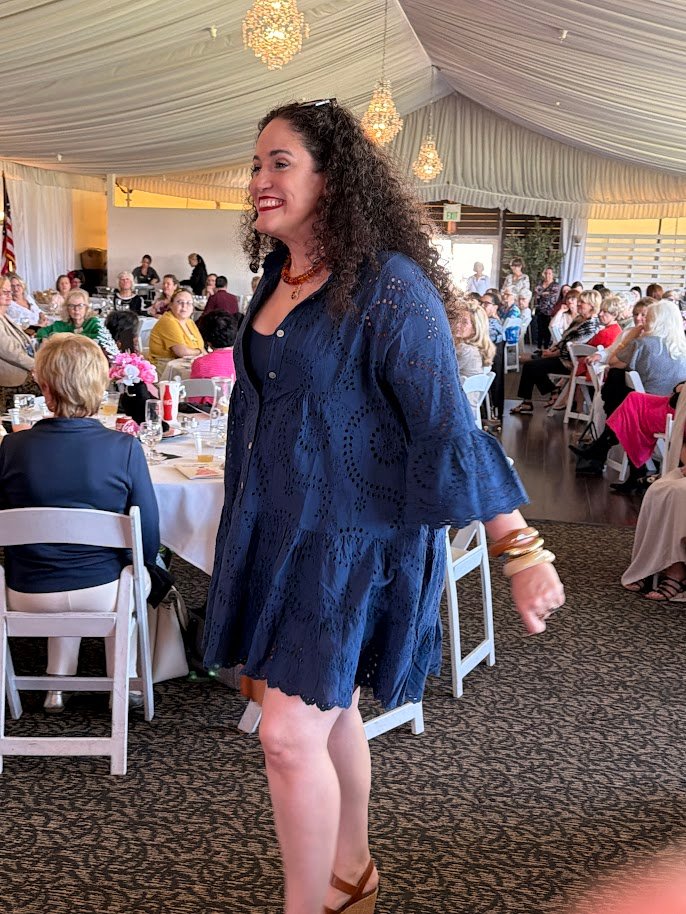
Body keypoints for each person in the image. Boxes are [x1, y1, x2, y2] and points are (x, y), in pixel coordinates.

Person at [202, 99, 564, 914]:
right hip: (278, 533)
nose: (259, 180)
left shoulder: (390, 287)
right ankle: (353, 875)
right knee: (329, 718)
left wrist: (519, 547)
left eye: (280, 162)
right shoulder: (274, 281)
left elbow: (445, 425)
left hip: (352, 546)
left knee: (286, 737)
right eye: (255, 165)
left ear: (333, 178)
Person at [0, 333, 160, 712]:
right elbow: (148, 539)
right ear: (99, 385)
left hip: (26, 590)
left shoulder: (12, 448)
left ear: (45, 387)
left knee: (62, 558)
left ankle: (57, 683)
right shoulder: (124, 448)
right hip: (103, 591)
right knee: (135, 571)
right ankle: (124, 682)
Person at [510, 289, 601, 414]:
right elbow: (565, 339)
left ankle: (540, 397)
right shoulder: (580, 319)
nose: (578, 304)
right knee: (531, 365)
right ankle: (549, 392)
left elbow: (573, 347)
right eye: (579, 301)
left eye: (582, 302)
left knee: (531, 366)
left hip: (571, 362)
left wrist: (552, 353)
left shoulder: (591, 325)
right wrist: (553, 349)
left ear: (592, 305)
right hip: (563, 356)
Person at [36, 289, 119, 363]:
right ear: (67, 308)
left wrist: (73, 337)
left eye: (80, 305)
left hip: (90, 361)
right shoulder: (61, 324)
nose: (76, 309)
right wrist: (44, 339)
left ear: (86, 308)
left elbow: (103, 337)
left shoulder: (94, 322)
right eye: (71, 306)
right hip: (65, 362)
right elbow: (42, 331)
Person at [0, 276, 38, 412]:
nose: (9, 295)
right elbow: (8, 350)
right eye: (5, 292)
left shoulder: (4, 316)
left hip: (22, 378)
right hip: (10, 384)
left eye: (9, 291)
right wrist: (35, 365)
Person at [148, 287, 204, 373]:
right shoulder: (168, 321)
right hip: (166, 369)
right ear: (171, 305)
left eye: (189, 303)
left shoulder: (189, 321)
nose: (184, 306)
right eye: (180, 302)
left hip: (186, 365)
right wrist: (199, 351)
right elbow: (181, 352)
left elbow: (201, 345)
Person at [532, 266, 561, 350]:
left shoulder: (555, 285)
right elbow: (536, 295)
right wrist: (543, 294)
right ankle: (538, 348)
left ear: (553, 275)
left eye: (549, 273)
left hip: (549, 311)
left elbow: (552, 296)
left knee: (547, 330)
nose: (547, 275)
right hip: (539, 310)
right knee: (539, 330)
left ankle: (546, 348)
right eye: (546, 273)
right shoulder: (539, 283)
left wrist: (541, 294)